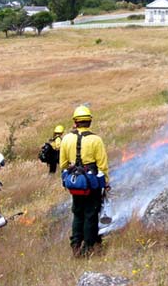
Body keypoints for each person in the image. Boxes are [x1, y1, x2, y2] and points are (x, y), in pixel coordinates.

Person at [60, 105, 110, 257]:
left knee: (78, 213)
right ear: (89, 122)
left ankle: (75, 244)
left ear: (75, 121)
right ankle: (89, 247)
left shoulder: (67, 139)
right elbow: (102, 165)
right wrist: (105, 183)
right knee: (91, 214)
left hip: (75, 183)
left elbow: (63, 164)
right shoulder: (96, 140)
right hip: (91, 183)